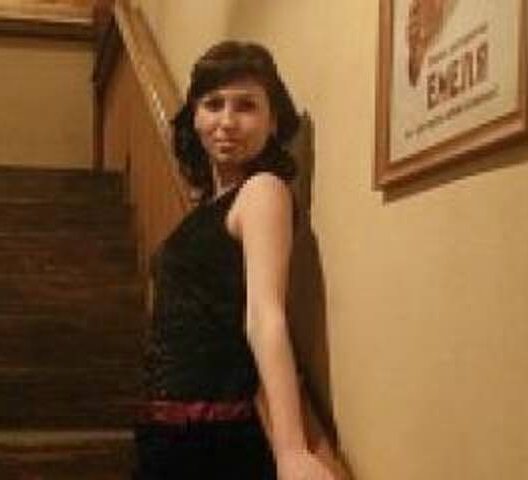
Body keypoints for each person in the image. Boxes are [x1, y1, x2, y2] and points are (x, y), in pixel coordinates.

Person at [133, 40, 334, 480]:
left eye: (246, 106)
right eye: (213, 104)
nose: (227, 121)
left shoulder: (263, 191)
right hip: (165, 432)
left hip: (214, 438)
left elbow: (265, 316)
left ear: (273, 120)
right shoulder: (207, 207)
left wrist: (291, 450)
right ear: (194, 116)